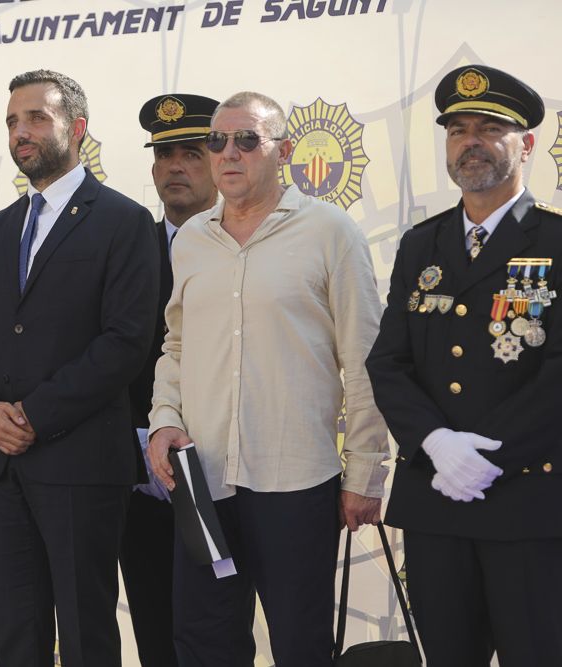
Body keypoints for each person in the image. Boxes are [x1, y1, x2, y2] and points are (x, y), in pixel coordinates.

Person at [147, 91, 390, 667]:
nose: (228, 153)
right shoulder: (192, 239)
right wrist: (163, 419)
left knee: (301, 646)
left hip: (295, 482)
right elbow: (176, 346)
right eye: (217, 141)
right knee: (205, 645)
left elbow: (364, 360)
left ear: (283, 150)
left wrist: (366, 472)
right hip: (204, 480)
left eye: (247, 140)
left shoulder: (331, 232)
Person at [0, 69, 159, 667]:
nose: (21, 132)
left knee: (85, 633)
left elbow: (126, 342)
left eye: (37, 118)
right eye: (12, 122)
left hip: (81, 463)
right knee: (15, 636)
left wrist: (33, 416)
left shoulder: (123, 221)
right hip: (1, 467)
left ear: (78, 127)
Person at [366, 65, 562, 665]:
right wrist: (436, 445)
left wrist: (486, 456)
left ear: (526, 144)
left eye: (488, 129)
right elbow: (389, 361)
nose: (470, 142)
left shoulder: (555, 241)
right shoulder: (421, 244)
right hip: (437, 499)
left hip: (529, 503)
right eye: (457, 131)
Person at [121, 92, 220, 667]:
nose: (175, 167)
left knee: (220, 636)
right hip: (141, 474)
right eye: (164, 155)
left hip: (227, 470)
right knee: (154, 629)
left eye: (191, 153)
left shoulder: (244, 243)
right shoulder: (121, 243)